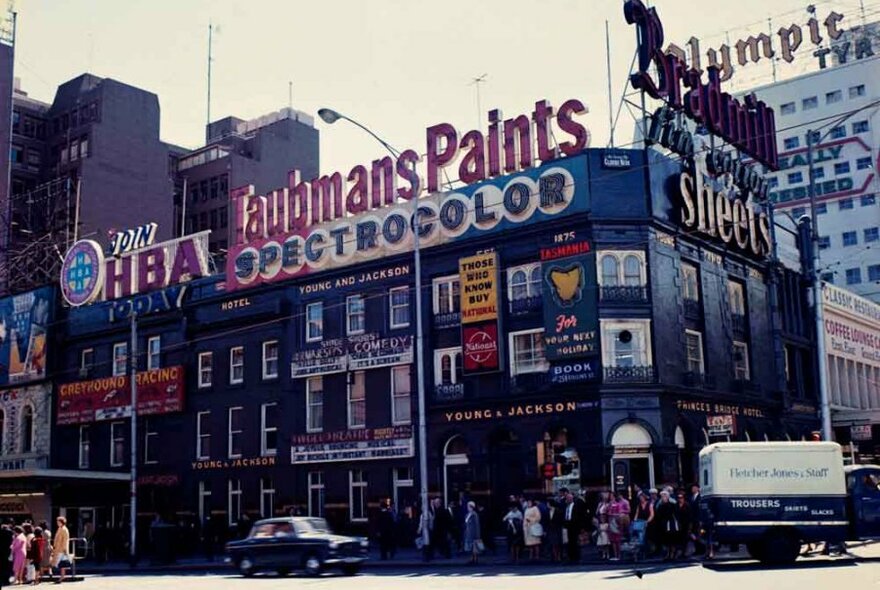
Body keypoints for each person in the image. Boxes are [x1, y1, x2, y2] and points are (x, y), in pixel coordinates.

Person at [562, 488, 586, 564]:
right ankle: (571, 557)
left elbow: (581, 515)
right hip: (568, 524)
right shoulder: (566, 506)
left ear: (572, 498)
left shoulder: (576, 505)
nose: (568, 499)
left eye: (569, 498)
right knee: (570, 542)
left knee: (575, 541)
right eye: (567, 498)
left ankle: (577, 557)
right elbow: (566, 515)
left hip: (575, 525)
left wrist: (581, 526)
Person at [52, 516, 71, 584]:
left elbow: (65, 540)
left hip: (62, 549)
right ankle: (62, 576)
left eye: (58, 522)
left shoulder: (64, 529)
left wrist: (65, 549)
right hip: (58, 548)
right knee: (61, 564)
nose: (57, 523)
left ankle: (62, 576)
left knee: (61, 563)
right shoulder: (60, 528)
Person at [673, 492, 692, 559]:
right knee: (678, 539)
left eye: (681, 498)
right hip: (678, 524)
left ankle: (684, 553)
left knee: (685, 539)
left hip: (686, 524)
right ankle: (678, 553)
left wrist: (690, 525)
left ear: (683, 498)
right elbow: (674, 514)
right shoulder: (676, 505)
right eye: (679, 498)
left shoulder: (687, 505)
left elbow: (689, 515)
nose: (680, 499)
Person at [689, 484, 704, 556]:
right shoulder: (692, 497)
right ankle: (697, 549)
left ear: (698, 489)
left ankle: (701, 549)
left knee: (699, 534)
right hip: (693, 519)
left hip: (698, 518)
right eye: (692, 488)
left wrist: (701, 519)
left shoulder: (700, 497)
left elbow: (700, 509)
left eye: (694, 488)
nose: (693, 489)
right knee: (694, 534)